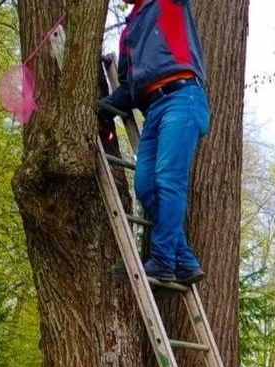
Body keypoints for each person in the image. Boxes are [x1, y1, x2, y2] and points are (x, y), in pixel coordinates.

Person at [101, 0, 210, 285]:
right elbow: (127, 88)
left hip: (182, 97)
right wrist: (105, 107)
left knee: (167, 178)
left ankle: (162, 259)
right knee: (145, 185)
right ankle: (183, 260)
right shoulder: (128, 33)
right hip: (153, 109)